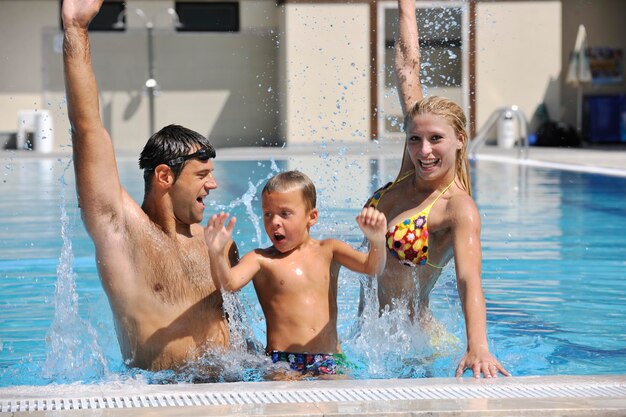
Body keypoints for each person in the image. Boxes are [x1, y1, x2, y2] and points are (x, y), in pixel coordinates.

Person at [61, 0, 236, 371]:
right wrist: (76, 29)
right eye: (202, 175)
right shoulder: (122, 232)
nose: (214, 184)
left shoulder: (215, 244)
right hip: (158, 396)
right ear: (164, 177)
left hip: (229, 391)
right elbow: (88, 129)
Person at [360, 0, 510, 378]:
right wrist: (405, 5)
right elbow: (407, 67)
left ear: (460, 140)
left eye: (436, 140)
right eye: (415, 139)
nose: (424, 151)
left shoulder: (457, 208)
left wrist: (478, 346)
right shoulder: (411, 168)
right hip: (375, 336)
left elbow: (468, 277)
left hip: (415, 344)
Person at [204, 171, 387, 376]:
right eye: (268, 214)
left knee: (338, 401)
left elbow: (372, 268)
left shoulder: (330, 250)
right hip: (281, 361)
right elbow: (228, 284)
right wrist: (216, 253)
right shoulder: (260, 259)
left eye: (285, 214)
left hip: (328, 358)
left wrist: (377, 240)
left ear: (312, 217)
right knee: (281, 401)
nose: (274, 222)